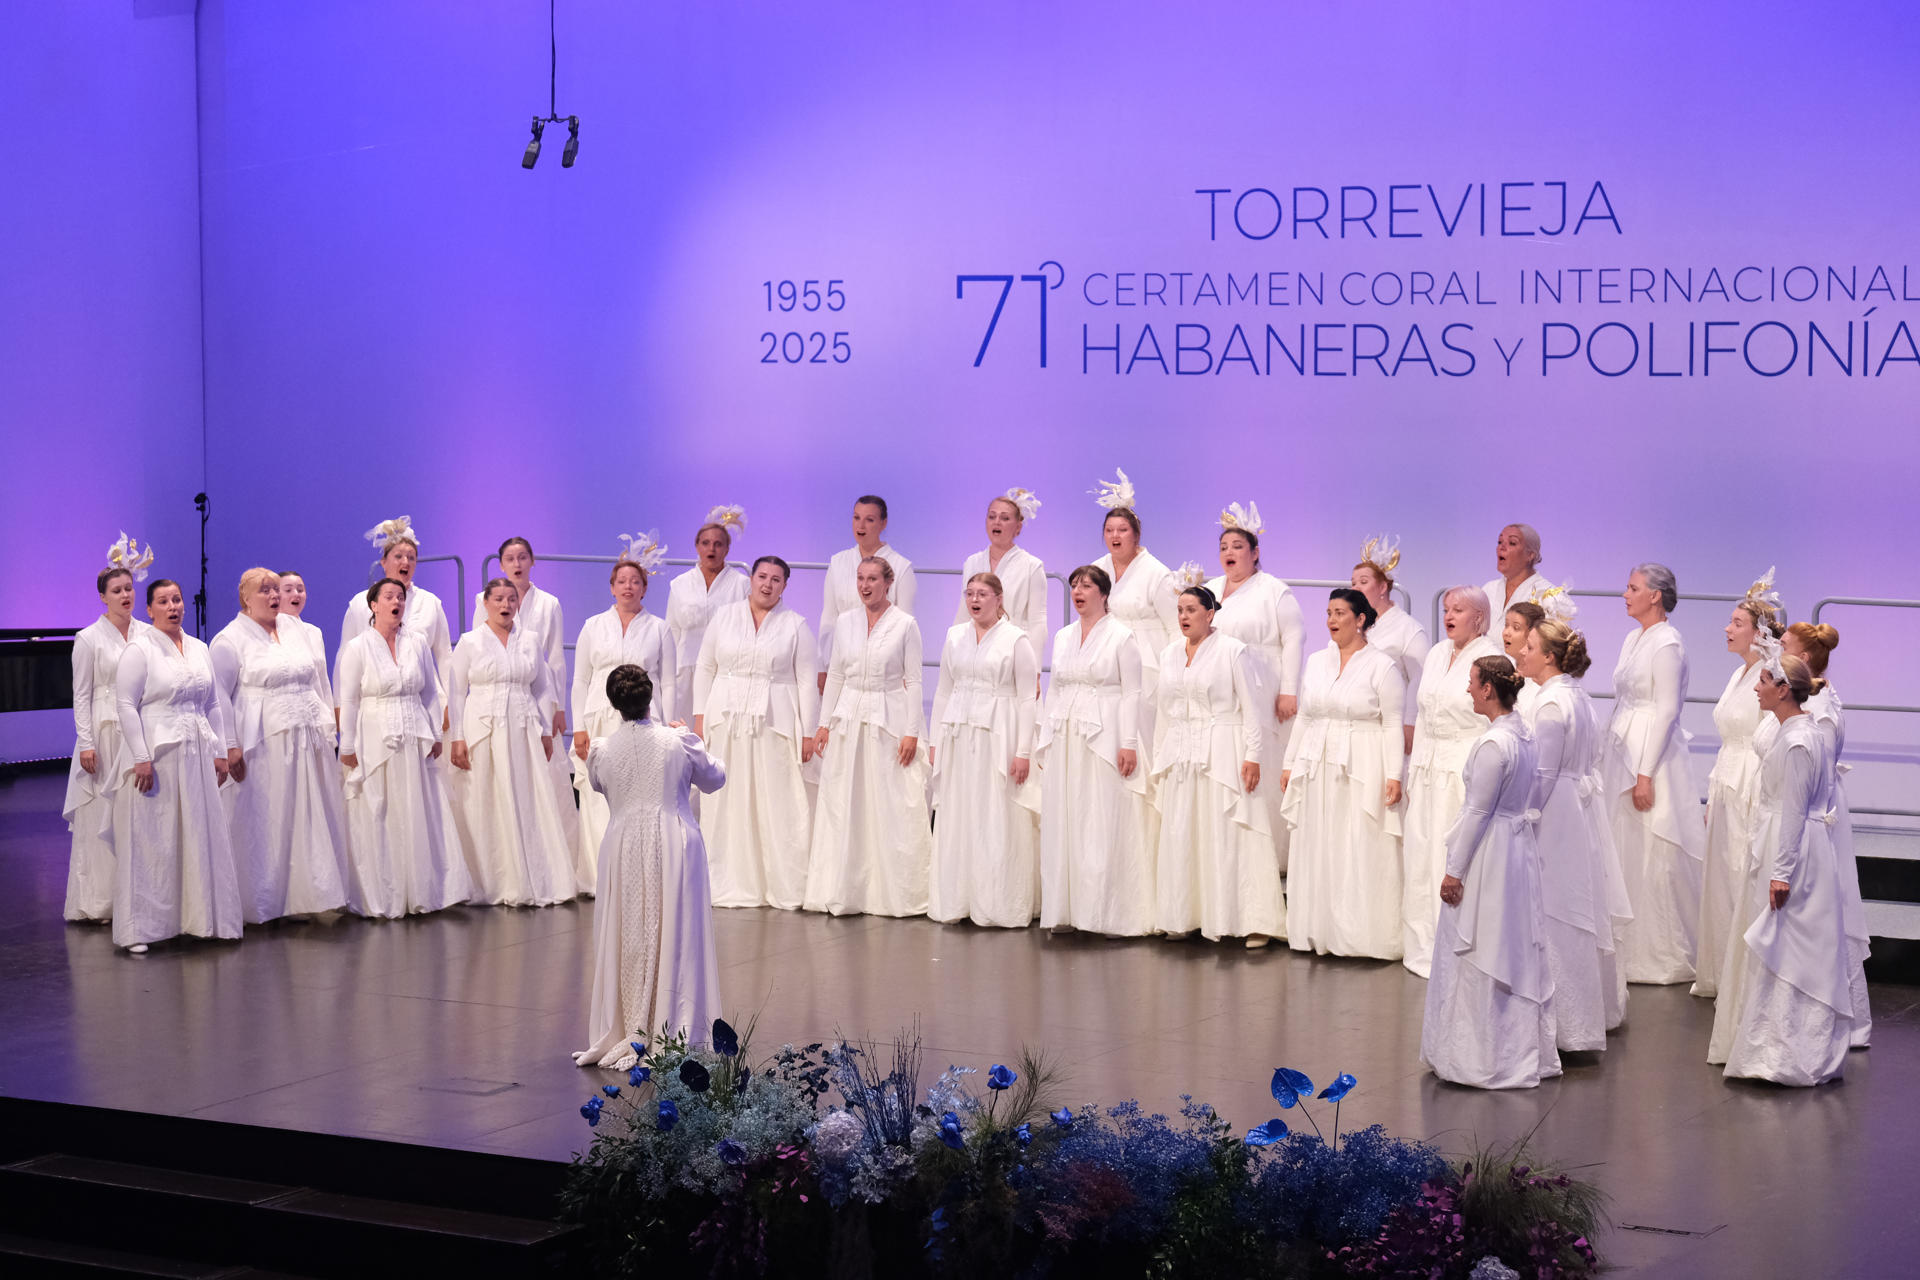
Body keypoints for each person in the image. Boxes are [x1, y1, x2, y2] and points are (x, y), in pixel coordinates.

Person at [1711, 646, 1853, 1086]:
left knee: (1785, 941)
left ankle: (1781, 1050)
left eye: (1763, 682)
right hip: (1783, 841)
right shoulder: (1795, 732)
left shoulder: (1796, 741)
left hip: (1789, 847)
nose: (1756, 687)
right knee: (1778, 940)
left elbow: (1793, 812)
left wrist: (1781, 872)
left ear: (1783, 689)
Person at [574, 665, 726, 1069]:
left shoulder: (602, 750)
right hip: (673, 841)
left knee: (631, 931)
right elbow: (715, 779)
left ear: (614, 704)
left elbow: (600, 785)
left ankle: (629, 1021)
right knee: (677, 929)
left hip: (623, 843)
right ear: (650, 696)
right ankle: (674, 1022)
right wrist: (694, 742)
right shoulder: (678, 741)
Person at [1421, 656, 1560, 1089]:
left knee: (1481, 944)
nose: (1466, 690)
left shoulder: (1493, 745)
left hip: (1489, 855)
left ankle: (1479, 1057)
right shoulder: (1525, 735)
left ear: (1487, 690)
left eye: (1471, 682)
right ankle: (1514, 1051)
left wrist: (1454, 871)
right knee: (1511, 943)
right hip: (1516, 851)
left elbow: (1477, 813)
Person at [210, 568, 352, 923]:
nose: (275, 596)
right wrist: (230, 745)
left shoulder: (294, 630)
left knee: (309, 811)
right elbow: (219, 698)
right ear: (246, 597)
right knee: (270, 815)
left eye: (276, 589)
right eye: (266, 591)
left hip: (306, 734)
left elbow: (317, 678)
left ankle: (310, 894)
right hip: (264, 740)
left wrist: (330, 728)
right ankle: (265, 899)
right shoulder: (229, 640)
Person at [111, 578, 241, 953]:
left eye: (178, 600)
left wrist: (219, 749)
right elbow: (125, 705)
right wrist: (140, 756)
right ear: (149, 610)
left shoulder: (199, 648)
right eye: (164, 602)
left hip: (197, 750)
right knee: (156, 838)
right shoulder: (140, 649)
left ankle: (199, 918)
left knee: (197, 832)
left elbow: (214, 704)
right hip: (160, 752)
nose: (174, 607)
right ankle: (142, 928)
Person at [1281, 588, 1407, 959]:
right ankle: (1317, 929)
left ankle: (1361, 935)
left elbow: (1392, 723)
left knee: (1358, 840)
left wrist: (1394, 774)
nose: (1331, 621)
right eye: (1329, 613)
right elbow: (1305, 716)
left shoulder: (1382, 666)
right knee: (1321, 840)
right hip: (1317, 760)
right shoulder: (1317, 661)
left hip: (1362, 762)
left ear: (1361, 619)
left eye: (1340, 613)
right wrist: (1290, 763)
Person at [1151, 585, 1278, 943]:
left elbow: (1253, 709)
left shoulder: (1232, 651)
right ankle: (1185, 913)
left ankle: (1248, 920)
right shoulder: (1170, 654)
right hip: (1181, 754)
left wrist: (1253, 756)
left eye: (1191, 609)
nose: (1183, 617)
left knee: (1228, 833)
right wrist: (1161, 756)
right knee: (1184, 831)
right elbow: (1165, 709)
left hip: (1223, 750)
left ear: (1210, 613)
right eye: (1179, 610)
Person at [337, 578, 472, 917]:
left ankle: (421, 889)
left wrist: (434, 734)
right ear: (374, 605)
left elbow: (428, 691)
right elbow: (349, 699)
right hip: (374, 737)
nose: (396, 601)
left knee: (415, 807)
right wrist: (347, 744)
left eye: (400, 597)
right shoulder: (358, 647)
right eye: (388, 597)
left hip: (412, 732)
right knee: (379, 807)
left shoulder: (417, 644)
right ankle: (382, 894)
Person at [805, 555, 930, 917]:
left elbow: (914, 680)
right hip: (850, 717)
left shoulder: (906, 625)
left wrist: (911, 732)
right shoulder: (846, 622)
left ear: (887, 583)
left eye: (872, 579)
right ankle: (844, 887)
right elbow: (838, 675)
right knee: (844, 801)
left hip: (888, 720)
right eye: (860, 578)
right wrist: (823, 722)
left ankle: (893, 892)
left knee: (890, 801)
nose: (865, 585)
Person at [693, 556, 819, 909]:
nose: (767, 584)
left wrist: (808, 731)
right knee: (725, 798)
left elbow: (808, 682)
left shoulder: (795, 625)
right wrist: (700, 717)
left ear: (784, 586)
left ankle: (780, 883)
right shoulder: (725, 616)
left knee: (776, 799)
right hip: (727, 718)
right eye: (762, 576)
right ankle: (727, 878)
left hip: (773, 723)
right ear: (751, 578)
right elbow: (705, 666)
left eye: (776, 579)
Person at [1037, 565, 1153, 937]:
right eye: (1074, 585)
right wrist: (1045, 733)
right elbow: (1055, 686)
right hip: (1067, 734)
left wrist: (1129, 742)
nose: (1078, 591)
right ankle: (1068, 910)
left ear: (1104, 593)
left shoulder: (1122, 636)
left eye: (1086, 585)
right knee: (1068, 818)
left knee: (1101, 819)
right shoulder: (1063, 636)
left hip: (1105, 734)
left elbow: (1132, 691)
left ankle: (1105, 912)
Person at [1515, 612, 1611, 1052]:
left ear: (1549, 657)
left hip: (1554, 815)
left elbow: (1544, 775)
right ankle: (1573, 1022)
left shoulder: (1552, 704)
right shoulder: (1577, 696)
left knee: (1554, 912)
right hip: (1574, 811)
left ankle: (1561, 1026)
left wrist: (1521, 815)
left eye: (1530, 648)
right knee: (1568, 908)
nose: (1521, 652)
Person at [446, 578, 576, 907]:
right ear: (486, 604)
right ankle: (488, 880)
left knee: (526, 797)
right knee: (484, 799)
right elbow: (457, 692)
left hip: (523, 728)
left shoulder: (530, 641)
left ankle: (531, 877)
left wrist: (546, 729)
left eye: (511, 599)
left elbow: (543, 687)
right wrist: (458, 736)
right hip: (484, 729)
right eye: (499, 599)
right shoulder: (470, 642)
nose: (505, 605)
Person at [1606, 563, 1704, 985]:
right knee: (1625, 844)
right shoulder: (1634, 637)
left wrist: (1645, 774)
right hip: (1624, 741)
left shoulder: (1668, 643)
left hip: (1653, 752)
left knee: (1653, 847)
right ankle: (1624, 947)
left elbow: (1667, 709)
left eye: (1633, 588)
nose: (1625, 594)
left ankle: (1659, 952)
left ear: (1655, 596)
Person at [927, 573, 1041, 927]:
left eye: (983, 594)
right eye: (970, 593)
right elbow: (944, 690)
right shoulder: (955, 636)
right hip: (960, 734)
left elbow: (1027, 698)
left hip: (999, 734)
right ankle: (958, 898)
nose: (975, 600)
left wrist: (1023, 750)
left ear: (999, 598)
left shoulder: (1015, 639)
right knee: (962, 811)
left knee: (997, 812)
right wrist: (934, 741)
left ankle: (1000, 902)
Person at [1781, 621, 1872, 1047]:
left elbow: (1816, 772)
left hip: (1821, 816)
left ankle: (1835, 1014)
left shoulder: (1818, 712)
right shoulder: (1817, 700)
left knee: (1824, 907)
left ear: (1802, 659)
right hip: (1815, 809)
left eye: (1783, 647)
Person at [1403, 587, 1502, 977]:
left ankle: (1458, 950)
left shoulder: (1492, 657)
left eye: (1458, 609)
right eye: (1446, 608)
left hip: (1463, 766)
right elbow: (1424, 716)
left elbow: (1497, 717)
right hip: (1428, 768)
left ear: (1478, 618)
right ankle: (1423, 945)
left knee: (1453, 856)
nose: (1449, 615)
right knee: (1422, 854)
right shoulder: (1436, 654)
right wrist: (1413, 770)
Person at [1694, 571, 1784, 999]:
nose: (1727, 629)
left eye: (1736, 623)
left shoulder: (1768, 676)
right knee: (1722, 878)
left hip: (1750, 781)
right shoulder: (1739, 675)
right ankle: (1722, 972)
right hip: (1726, 781)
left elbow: (1770, 736)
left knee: (1740, 873)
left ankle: (1746, 979)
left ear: (1758, 631)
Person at [572, 535, 677, 890]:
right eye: (622, 581)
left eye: (635, 581)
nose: (628, 587)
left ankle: (639, 872)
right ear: (612, 587)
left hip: (644, 719)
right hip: (600, 716)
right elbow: (580, 679)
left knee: (639, 794)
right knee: (598, 793)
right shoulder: (593, 626)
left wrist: (668, 725)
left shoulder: (660, 628)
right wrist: (578, 727)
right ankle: (598, 876)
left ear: (644, 588)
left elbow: (669, 681)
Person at [1207, 502, 1304, 864]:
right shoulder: (1211, 589)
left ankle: (1270, 852)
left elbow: (1293, 638)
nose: (1229, 553)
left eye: (1237, 547)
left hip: (1264, 682)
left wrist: (1289, 690)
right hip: (1221, 686)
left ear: (1255, 552)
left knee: (1263, 756)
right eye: (1223, 548)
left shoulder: (1273, 590)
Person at [62, 538, 152, 922]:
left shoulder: (147, 634)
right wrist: (86, 741)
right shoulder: (89, 639)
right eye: (117, 591)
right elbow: (81, 695)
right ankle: (101, 900)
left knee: (137, 810)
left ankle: (140, 896)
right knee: (102, 811)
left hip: (138, 729)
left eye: (129, 589)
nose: (125, 595)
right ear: (103, 598)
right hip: (104, 730)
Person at [479, 537, 579, 853]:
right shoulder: (486, 600)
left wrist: (559, 706)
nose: (517, 564)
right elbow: (478, 648)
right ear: (501, 564)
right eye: (510, 558)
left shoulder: (549, 603)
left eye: (523, 557)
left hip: (539, 695)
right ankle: (506, 847)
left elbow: (556, 656)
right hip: (499, 697)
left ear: (532, 561)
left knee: (546, 768)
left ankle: (551, 849)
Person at [338, 516, 453, 719]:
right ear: (384, 562)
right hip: (376, 701)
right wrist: (340, 705)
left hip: (424, 701)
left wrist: (452, 705)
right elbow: (344, 656)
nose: (405, 562)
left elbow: (444, 656)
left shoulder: (430, 602)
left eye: (411, 557)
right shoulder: (360, 603)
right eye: (398, 556)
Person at [1090, 470, 1180, 715]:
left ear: (1136, 535)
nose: (1115, 536)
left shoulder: (1156, 573)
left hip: (1147, 663)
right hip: (1108, 659)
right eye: (1109, 530)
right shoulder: (1098, 569)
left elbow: (1175, 627)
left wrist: (1175, 673)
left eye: (1122, 530)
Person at [818, 494, 916, 692]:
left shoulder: (901, 566)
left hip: (883, 666)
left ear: (883, 523)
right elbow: (829, 617)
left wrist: (907, 674)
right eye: (856, 518)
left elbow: (906, 624)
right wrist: (822, 665)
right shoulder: (838, 562)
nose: (860, 526)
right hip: (843, 660)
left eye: (869, 520)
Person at [1352, 535, 1428, 756]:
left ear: (1383, 586)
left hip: (1392, 723)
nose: (1356, 588)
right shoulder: (1357, 627)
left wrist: (1410, 722)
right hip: (1360, 724)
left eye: (1363, 582)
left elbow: (1420, 677)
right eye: (1353, 583)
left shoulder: (1408, 629)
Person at [666, 506, 749, 698]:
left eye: (718, 544)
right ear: (697, 547)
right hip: (686, 671)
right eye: (706, 543)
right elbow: (673, 631)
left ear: (727, 549)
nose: (711, 549)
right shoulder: (680, 584)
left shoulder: (742, 584)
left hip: (725, 671)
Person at [954, 490, 1048, 661]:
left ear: (1018, 526)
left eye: (1005, 518)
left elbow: (1038, 621)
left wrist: (1035, 669)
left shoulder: (1031, 566)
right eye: (992, 516)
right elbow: (963, 612)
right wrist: (953, 651)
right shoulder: (972, 562)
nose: (997, 522)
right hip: (974, 650)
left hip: (1012, 653)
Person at [272, 570, 331, 708]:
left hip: (316, 713)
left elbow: (323, 682)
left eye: (300, 589)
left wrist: (330, 725)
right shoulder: (270, 632)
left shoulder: (314, 632)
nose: (296, 594)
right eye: (288, 590)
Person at [1480, 523, 1551, 635]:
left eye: (1512, 543)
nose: (1501, 547)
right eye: (1499, 542)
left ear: (1530, 555)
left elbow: (1553, 645)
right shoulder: (1488, 590)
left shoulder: (1547, 595)